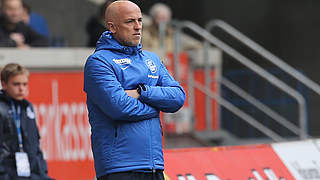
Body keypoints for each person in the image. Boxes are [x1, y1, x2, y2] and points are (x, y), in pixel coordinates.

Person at [83, 1, 185, 180]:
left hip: (155, 166)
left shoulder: (151, 59)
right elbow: (119, 107)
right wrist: (157, 108)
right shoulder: (99, 62)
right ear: (112, 27)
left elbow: (178, 97)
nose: (138, 27)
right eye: (130, 21)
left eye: (140, 20)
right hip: (119, 168)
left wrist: (143, 92)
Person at [0, 63, 52, 180]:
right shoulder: (1, 109)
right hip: (8, 174)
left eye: (24, 84)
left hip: (32, 173)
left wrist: (42, 172)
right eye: (16, 84)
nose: (21, 88)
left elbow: (35, 145)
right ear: (4, 84)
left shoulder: (28, 108)